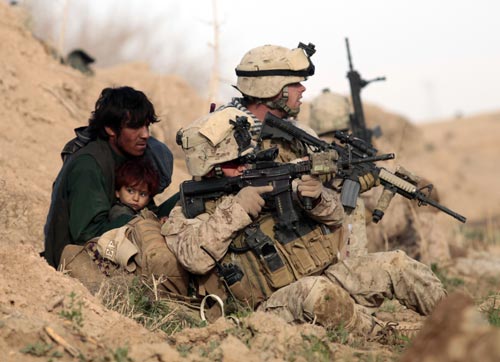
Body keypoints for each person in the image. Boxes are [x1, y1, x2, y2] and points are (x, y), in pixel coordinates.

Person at [162, 43, 446, 335]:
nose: (245, 166)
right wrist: (238, 208)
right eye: (236, 162)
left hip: (321, 272)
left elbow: (337, 217)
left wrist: (316, 198)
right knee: (319, 294)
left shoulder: (281, 151)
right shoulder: (190, 207)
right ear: (214, 166)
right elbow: (193, 259)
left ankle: (460, 317)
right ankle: (388, 335)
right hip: (271, 305)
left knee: (396, 264)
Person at [43, 86, 188, 295]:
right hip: (77, 264)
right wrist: (148, 223)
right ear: (111, 129)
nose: (145, 135)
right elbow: (88, 233)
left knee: (187, 197)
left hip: (110, 247)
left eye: (146, 126)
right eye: (135, 127)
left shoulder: (128, 155)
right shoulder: (89, 165)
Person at [308, 88, 453, 264]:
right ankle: (440, 263)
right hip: (373, 236)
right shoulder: (357, 149)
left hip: (352, 242)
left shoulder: (311, 151)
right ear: (345, 114)